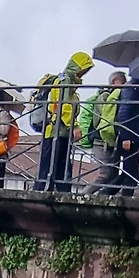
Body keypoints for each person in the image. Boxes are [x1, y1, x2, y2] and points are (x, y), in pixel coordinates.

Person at [36, 52, 94, 192]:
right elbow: (65, 105)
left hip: (60, 131)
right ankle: (44, 192)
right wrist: (74, 125)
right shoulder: (65, 80)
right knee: (53, 165)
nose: (83, 74)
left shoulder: (68, 82)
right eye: (83, 70)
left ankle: (56, 191)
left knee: (58, 165)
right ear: (77, 67)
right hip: (56, 131)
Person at [77, 70, 126, 192]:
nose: (125, 86)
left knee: (112, 175)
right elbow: (101, 120)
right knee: (105, 174)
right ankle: (83, 196)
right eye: (122, 82)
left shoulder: (113, 97)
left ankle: (100, 197)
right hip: (101, 141)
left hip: (110, 141)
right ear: (113, 82)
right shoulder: (105, 97)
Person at [112, 67, 139, 196]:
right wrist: (126, 137)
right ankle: (121, 198)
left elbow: (138, 113)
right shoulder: (132, 90)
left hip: (130, 136)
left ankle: (106, 193)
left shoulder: (135, 90)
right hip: (129, 137)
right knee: (131, 174)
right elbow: (124, 114)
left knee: (128, 173)